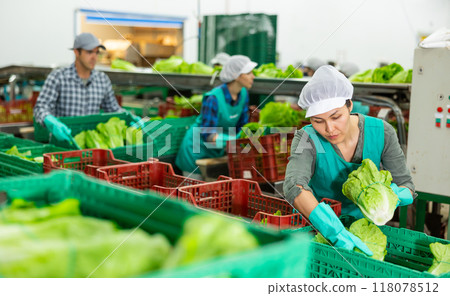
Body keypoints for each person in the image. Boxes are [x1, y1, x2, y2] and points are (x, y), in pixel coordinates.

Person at [283, 65, 414, 255]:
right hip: (317, 231)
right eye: (318, 121)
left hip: (363, 233)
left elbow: (407, 186)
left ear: (349, 105)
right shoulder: (306, 137)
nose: (329, 129)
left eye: (336, 117)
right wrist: (332, 229)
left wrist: (392, 195)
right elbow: (294, 185)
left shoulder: (382, 132)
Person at [34, 32, 141, 143]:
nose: (94, 57)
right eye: (89, 52)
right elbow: (40, 107)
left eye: (97, 52)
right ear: (76, 52)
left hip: (91, 144)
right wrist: (50, 121)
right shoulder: (58, 77)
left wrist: (128, 116)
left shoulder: (102, 80)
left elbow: (113, 109)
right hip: (63, 142)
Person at [176, 55, 257, 179]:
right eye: (249, 73)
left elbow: (242, 126)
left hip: (217, 152)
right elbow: (208, 135)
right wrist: (235, 141)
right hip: (196, 151)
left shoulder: (244, 94)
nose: (253, 76)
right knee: (194, 194)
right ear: (237, 75)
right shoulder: (213, 98)